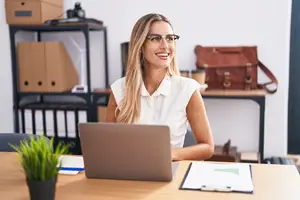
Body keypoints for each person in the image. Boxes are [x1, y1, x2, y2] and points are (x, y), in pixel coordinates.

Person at [105, 13, 214, 161]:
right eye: (156, 38)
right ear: (141, 45)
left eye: (170, 38)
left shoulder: (187, 89)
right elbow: (106, 144)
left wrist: (171, 154)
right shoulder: (119, 90)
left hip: (168, 174)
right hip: (128, 172)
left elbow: (207, 147)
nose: (165, 45)